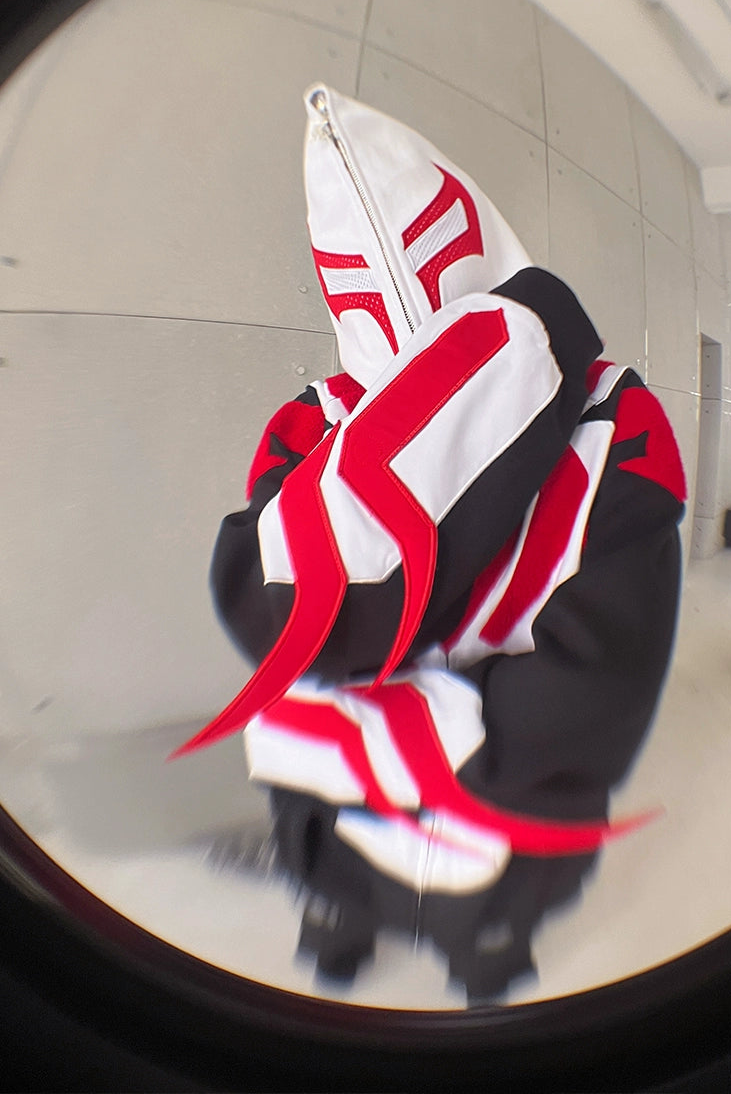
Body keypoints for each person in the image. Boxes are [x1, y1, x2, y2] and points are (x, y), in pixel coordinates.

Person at [175, 83, 686, 1002]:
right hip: (351, 815)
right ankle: (340, 920)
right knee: (335, 902)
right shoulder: (314, 420)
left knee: (487, 943)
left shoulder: (618, 421)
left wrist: (354, 725)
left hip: (499, 814)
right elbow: (275, 609)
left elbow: (609, 658)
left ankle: (483, 951)